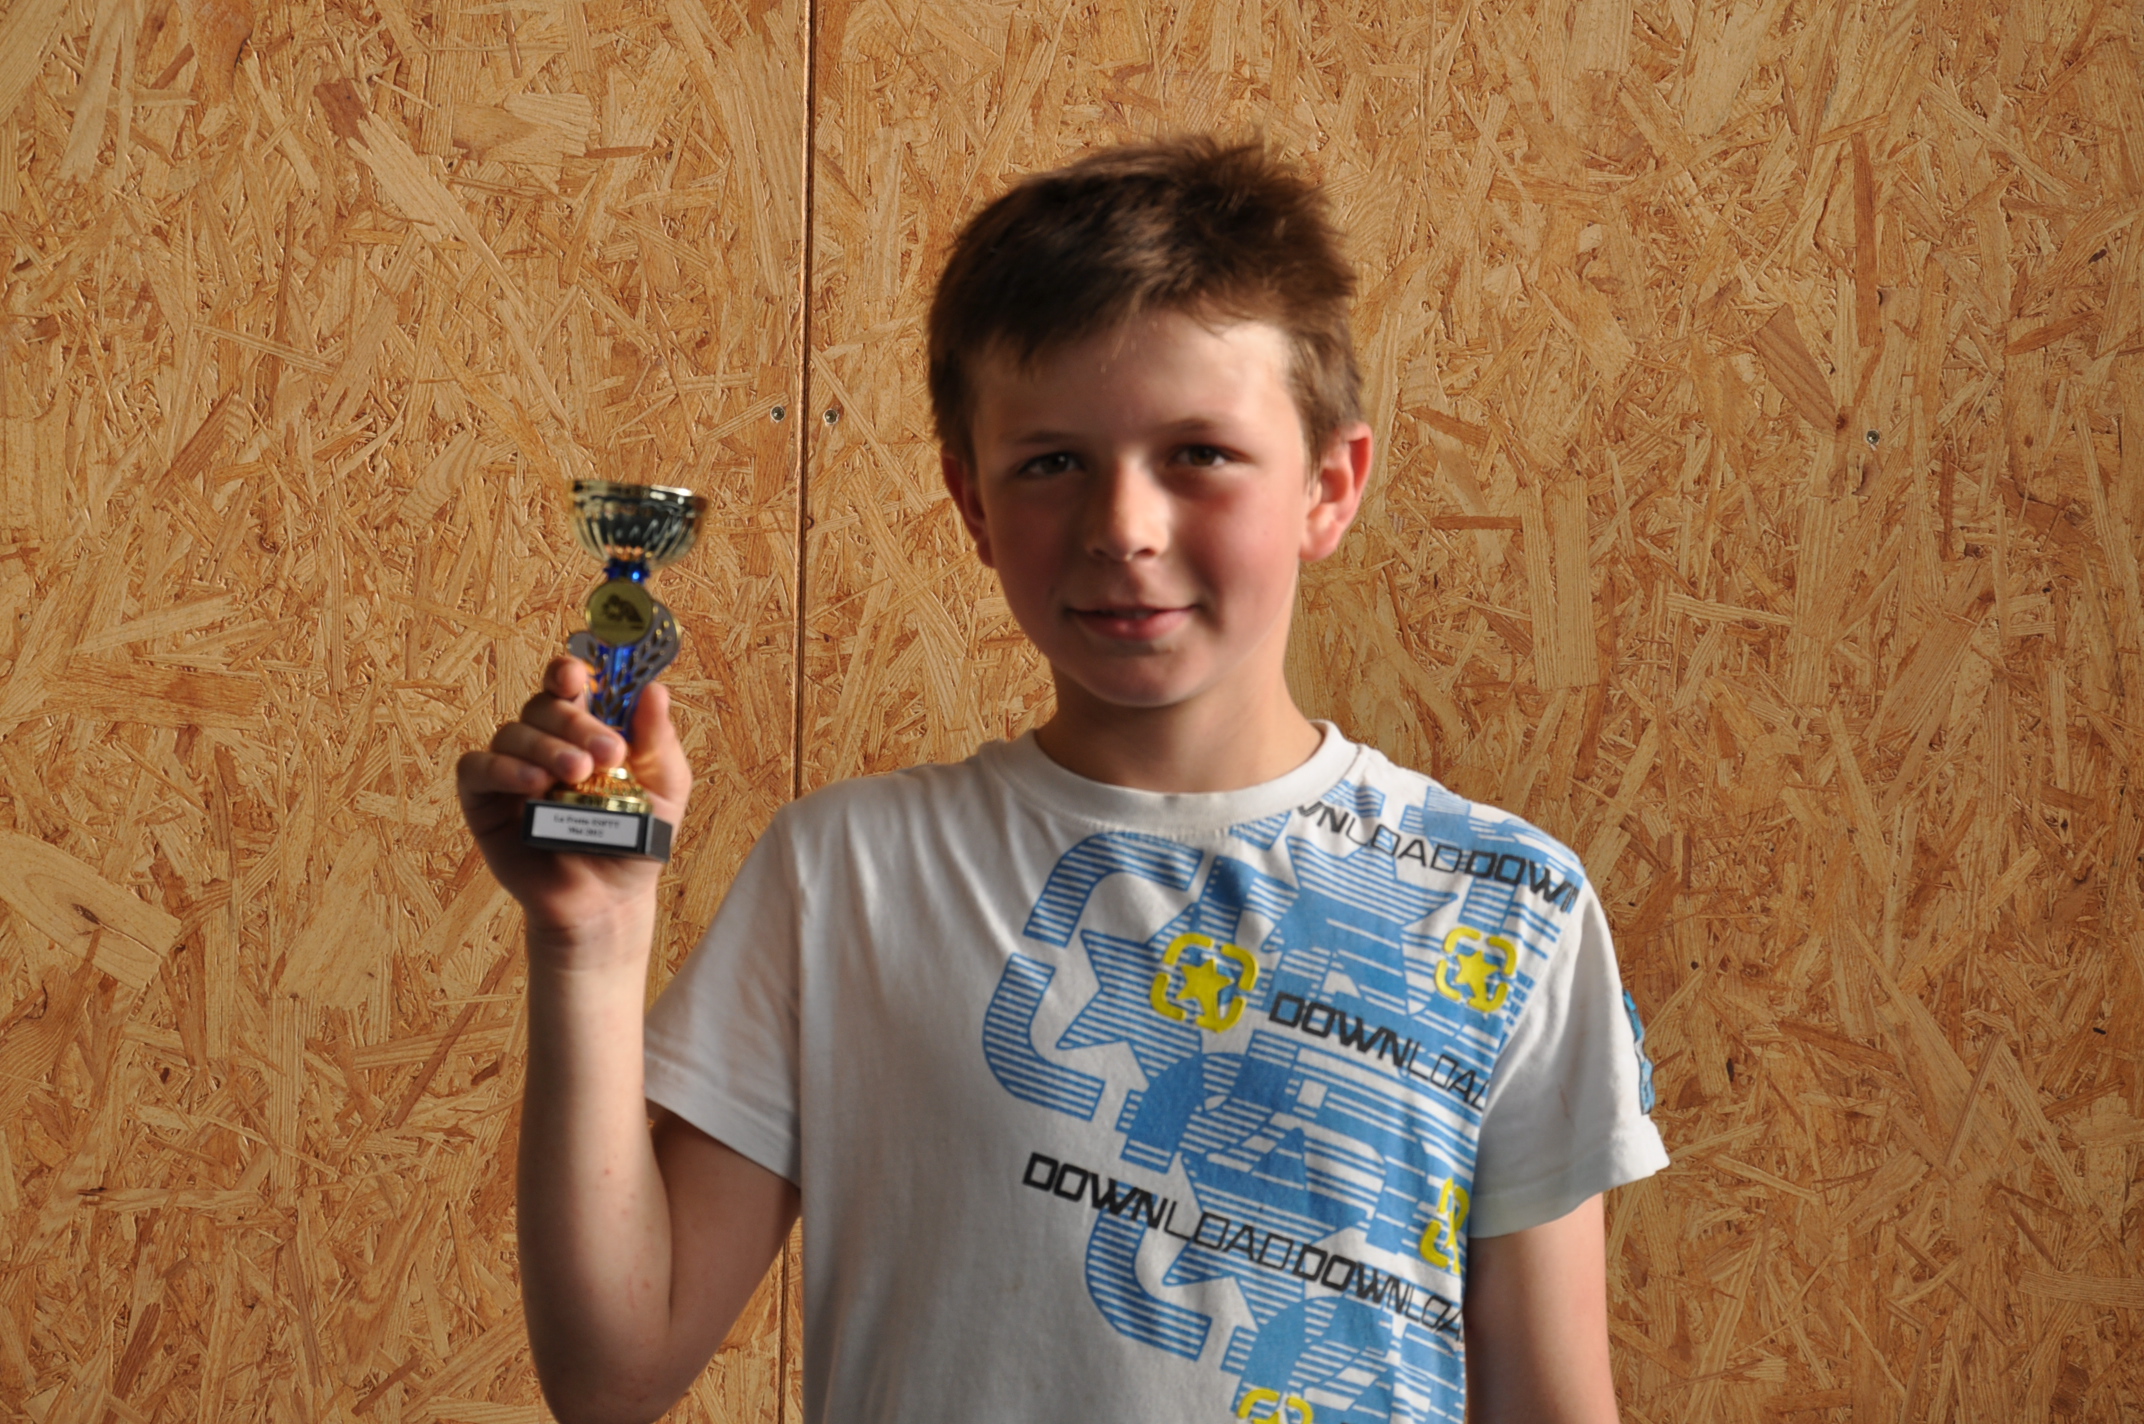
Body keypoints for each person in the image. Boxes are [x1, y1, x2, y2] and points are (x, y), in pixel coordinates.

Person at [457, 135, 1668, 1424]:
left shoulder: (1505, 904)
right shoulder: (849, 874)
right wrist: (590, 940)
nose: (1122, 528)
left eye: (1199, 454)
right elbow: (612, 1373)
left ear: (1330, 485)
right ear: (974, 503)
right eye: (1051, 462)